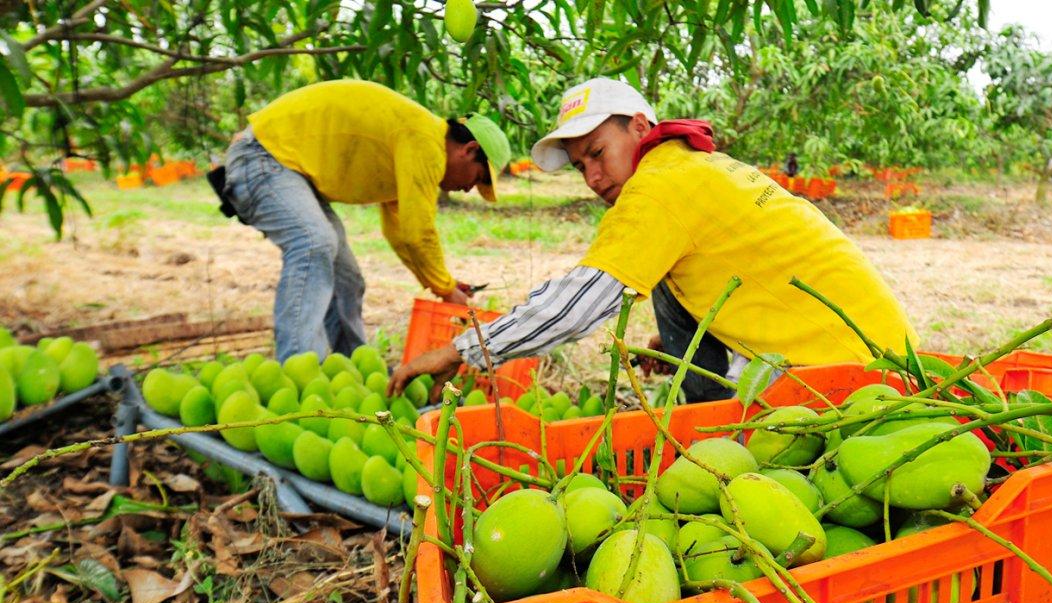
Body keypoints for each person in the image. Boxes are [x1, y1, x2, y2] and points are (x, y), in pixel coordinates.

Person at [388, 78, 915, 403]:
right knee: (663, 280)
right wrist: (681, 343)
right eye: (580, 166)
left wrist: (461, 351)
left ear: (640, 127)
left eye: (598, 153)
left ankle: (708, 418)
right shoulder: (690, 165)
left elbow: (575, 307)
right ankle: (707, 406)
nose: (593, 177)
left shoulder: (658, 189)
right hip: (881, 350)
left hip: (854, 378)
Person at [218, 80, 511, 360]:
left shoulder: (417, 145)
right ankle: (298, 368)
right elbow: (418, 232)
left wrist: (442, 284)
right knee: (314, 242)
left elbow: (401, 232)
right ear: (469, 150)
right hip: (261, 156)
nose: (470, 189)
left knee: (347, 279)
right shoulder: (425, 141)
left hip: (285, 168)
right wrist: (445, 288)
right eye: (479, 178)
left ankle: (352, 365)